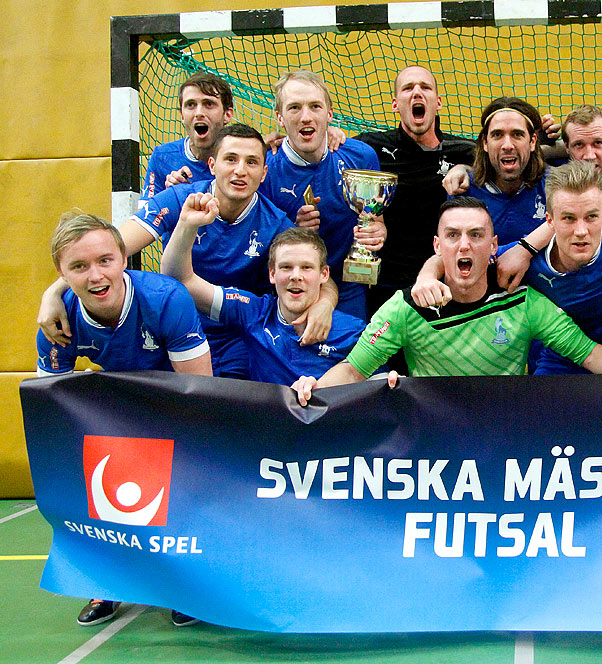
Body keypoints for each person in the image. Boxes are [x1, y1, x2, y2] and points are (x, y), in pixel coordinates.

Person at [292, 197, 602, 404]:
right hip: (435, 441)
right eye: (453, 236)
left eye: (476, 235)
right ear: (438, 247)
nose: (465, 244)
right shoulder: (405, 308)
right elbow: (354, 370)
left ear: (493, 247)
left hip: (504, 434)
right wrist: (311, 389)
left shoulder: (523, 303)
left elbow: (588, 352)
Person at [38, 124, 335, 379]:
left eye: (251, 162)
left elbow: (317, 275)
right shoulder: (181, 198)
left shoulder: (276, 223)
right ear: (212, 165)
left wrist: (325, 303)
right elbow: (109, 250)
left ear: (263, 172)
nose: (240, 171)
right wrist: (53, 293)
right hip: (171, 330)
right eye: (230, 159)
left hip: (236, 336)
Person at [36, 212, 212, 628]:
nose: (95, 275)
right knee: (85, 469)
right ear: (61, 274)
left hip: (176, 400)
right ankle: (107, 581)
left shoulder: (167, 299)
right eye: (78, 267)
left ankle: (185, 584)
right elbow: (53, 407)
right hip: (117, 408)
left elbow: (202, 396)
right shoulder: (56, 319)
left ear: (123, 258)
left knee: (191, 472)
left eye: (105, 261)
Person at [414, 161, 602, 374]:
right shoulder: (518, 260)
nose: (581, 231)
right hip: (559, 363)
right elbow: (462, 254)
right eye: (568, 218)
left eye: (590, 216)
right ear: (549, 221)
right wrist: (427, 276)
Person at [161, 196, 366, 385]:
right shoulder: (253, 311)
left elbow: (378, 393)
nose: (296, 276)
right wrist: (187, 225)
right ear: (272, 274)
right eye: (286, 267)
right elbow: (181, 279)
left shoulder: (354, 332)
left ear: (324, 274)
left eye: (306, 267)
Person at [258, 70, 384, 321]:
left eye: (315, 106)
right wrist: (292, 233)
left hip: (349, 286)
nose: (306, 117)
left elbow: (374, 218)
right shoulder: (264, 170)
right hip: (291, 289)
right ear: (279, 118)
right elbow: (255, 245)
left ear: (329, 114)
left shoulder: (360, 157)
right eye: (294, 108)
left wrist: (378, 231)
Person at [354, 66, 475, 319]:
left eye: (425, 87)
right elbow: (325, 154)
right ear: (396, 104)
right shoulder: (370, 147)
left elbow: (513, 158)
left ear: (438, 103)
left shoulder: (464, 151)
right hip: (385, 285)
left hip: (443, 283)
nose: (417, 93)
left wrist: (545, 133)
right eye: (408, 88)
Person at [441, 97, 551, 244]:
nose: (507, 145)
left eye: (517, 134)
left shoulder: (554, 187)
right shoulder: (462, 190)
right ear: (485, 143)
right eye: (497, 135)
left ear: (532, 142)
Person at [140, 73, 235, 202]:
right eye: (191, 105)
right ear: (182, 116)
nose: (199, 113)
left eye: (209, 104)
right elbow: (146, 214)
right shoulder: (162, 156)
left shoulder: (243, 157)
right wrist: (171, 196)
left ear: (227, 115)